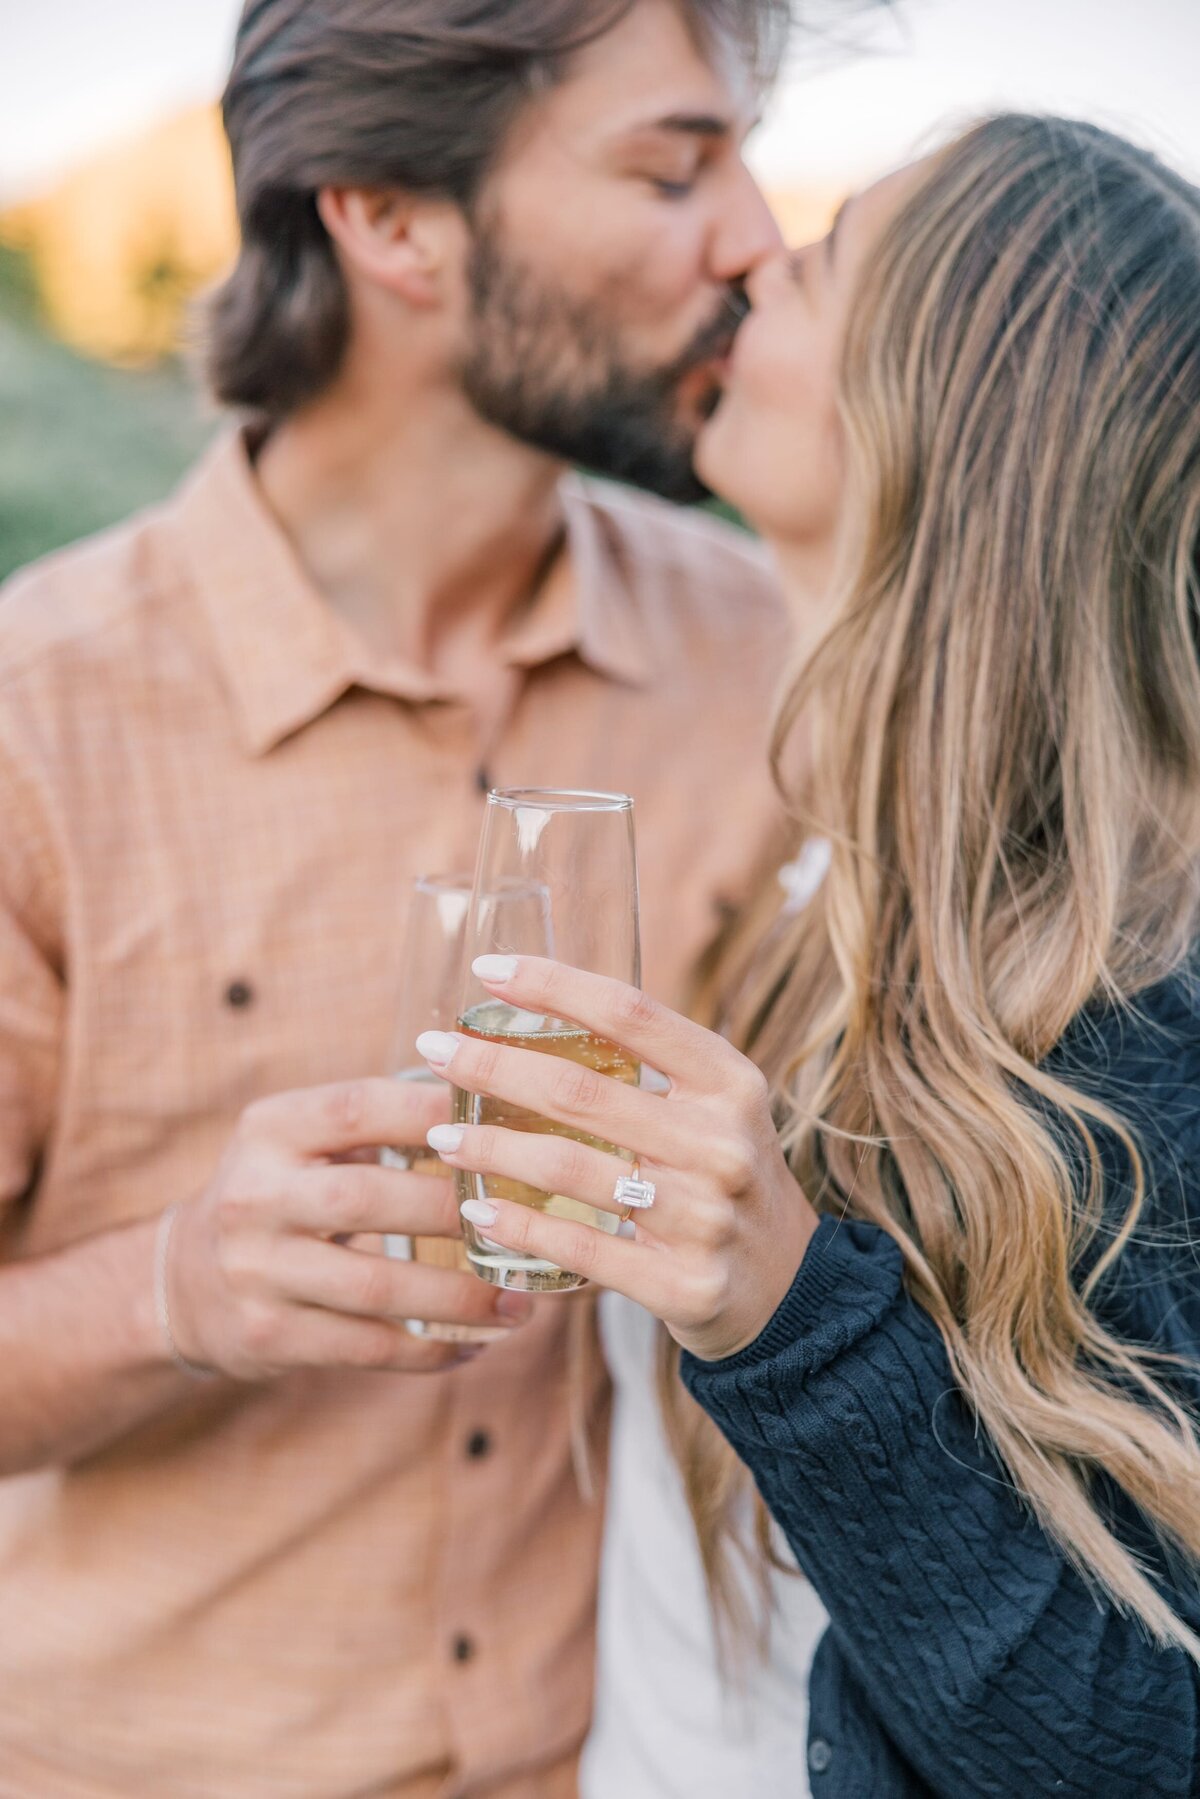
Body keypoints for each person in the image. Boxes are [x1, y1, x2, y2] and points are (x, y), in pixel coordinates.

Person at [0, 2, 809, 1793]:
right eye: (676, 166)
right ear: (388, 218)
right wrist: (172, 1285)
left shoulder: (765, 661)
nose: (755, 232)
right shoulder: (32, 716)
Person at [419, 114, 1200, 1796]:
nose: (749, 257)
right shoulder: (832, 877)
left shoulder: (1133, 1003)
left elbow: (1139, 1748)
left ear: (933, 414)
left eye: (818, 263)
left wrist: (788, 1314)